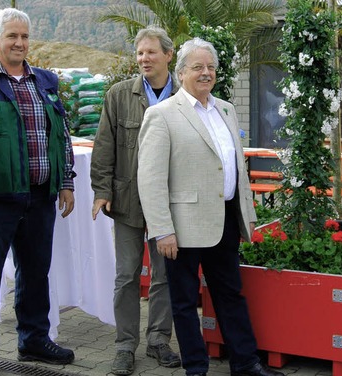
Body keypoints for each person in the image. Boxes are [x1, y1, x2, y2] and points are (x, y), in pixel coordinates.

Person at [137, 37, 283, 376]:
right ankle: (196, 368)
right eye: (198, 67)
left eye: (211, 67)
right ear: (181, 72)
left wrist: (247, 214)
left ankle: (245, 363)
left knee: (230, 294)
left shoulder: (226, 109)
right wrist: (162, 230)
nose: (206, 73)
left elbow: (234, 168)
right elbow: (151, 179)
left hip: (225, 220)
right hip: (182, 228)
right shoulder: (161, 115)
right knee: (185, 302)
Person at [0, 8, 76, 375]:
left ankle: (33, 340)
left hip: (40, 196)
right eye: (12, 36)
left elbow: (62, 134)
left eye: (24, 36)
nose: (19, 43)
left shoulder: (46, 81)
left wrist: (66, 181)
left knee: (36, 272)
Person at [90, 26, 181, 375]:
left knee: (164, 275)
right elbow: (104, 147)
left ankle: (158, 340)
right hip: (127, 202)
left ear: (168, 56)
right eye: (140, 53)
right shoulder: (118, 95)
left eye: (151, 52)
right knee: (126, 275)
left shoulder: (182, 95)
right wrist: (102, 191)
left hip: (170, 205)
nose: (143, 58)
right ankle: (125, 346)